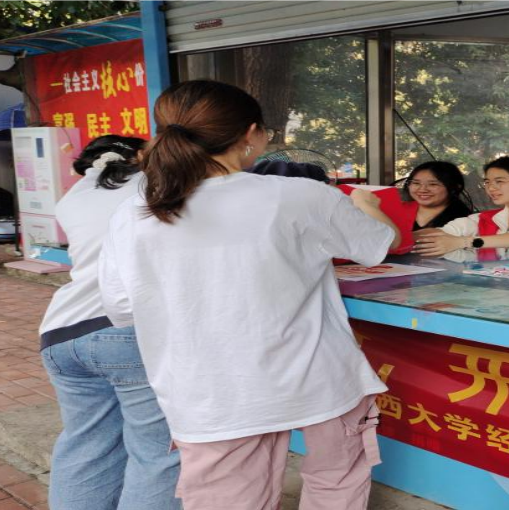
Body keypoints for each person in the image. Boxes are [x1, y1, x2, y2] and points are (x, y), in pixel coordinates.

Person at [97, 80, 401, 510]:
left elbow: (121, 308)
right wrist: (370, 207)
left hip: (208, 395)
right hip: (318, 381)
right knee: (336, 484)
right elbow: (380, 244)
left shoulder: (135, 212)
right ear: (251, 134)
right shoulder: (300, 195)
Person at [39, 135, 181, 510]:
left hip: (61, 333)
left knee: (86, 447)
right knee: (156, 453)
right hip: (125, 330)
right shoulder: (155, 186)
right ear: (141, 155)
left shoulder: (72, 198)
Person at [402, 160, 473, 231]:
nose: (422, 189)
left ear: (454, 188)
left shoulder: (466, 223)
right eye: (416, 183)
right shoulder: (398, 211)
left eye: (433, 184)